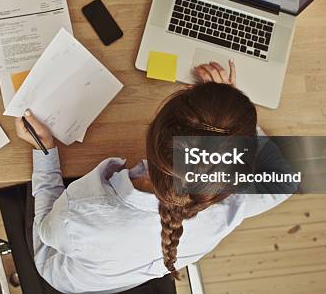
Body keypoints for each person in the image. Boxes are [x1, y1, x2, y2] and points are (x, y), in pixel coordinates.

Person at [15, 61, 297, 294]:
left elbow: (46, 233)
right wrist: (230, 119)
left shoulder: (80, 213)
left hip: (62, 276)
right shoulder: (228, 208)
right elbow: (285, 183)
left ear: (153, 132)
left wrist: (45, 152)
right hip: (130, 273)